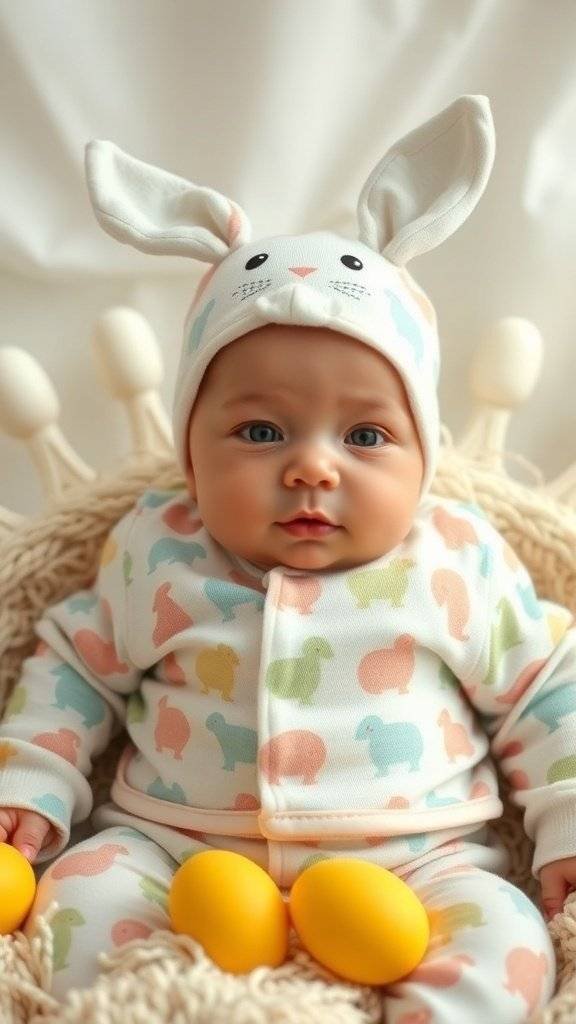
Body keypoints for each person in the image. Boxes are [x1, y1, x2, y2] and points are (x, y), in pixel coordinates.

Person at [0, 95, 573, 1021]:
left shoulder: (454, 556)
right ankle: (158, 1004)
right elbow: (73, 666)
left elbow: (548, 684)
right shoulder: (157, 545)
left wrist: (564, 820)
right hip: (181, 850)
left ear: (426, 456)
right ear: (192, 450)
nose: (312, 465)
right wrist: (30, 780)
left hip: (419, 862)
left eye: (367, 435)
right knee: (85, 901)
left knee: (506, 946)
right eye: (261, 430)